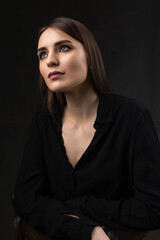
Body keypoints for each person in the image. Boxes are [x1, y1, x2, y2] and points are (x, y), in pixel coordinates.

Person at [12, 16, 160, 240]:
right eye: (42, 54)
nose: (50, 60)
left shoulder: (132, 117)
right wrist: (87, 232)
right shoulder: (44, 119)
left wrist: (80, 206)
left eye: (63, 48)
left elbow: (152, 209)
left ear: (90, 56)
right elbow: (24, 198)